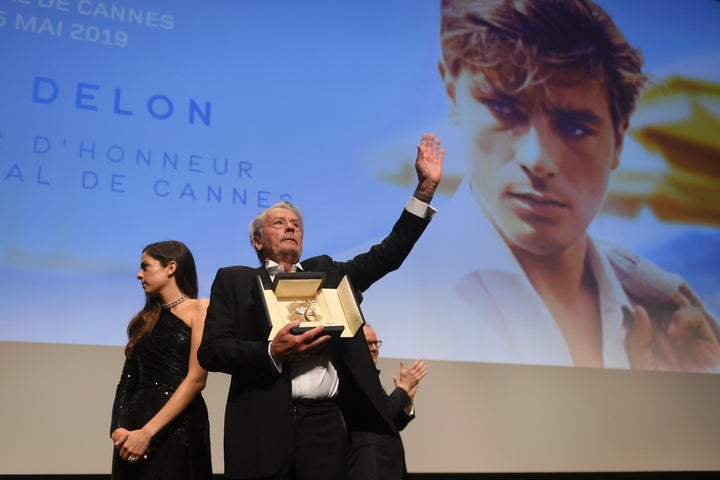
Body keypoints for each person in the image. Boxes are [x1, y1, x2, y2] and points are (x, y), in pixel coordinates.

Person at [361, 0, 720, 372]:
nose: (537, 160)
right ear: (452, 92)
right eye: (503, 109)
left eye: (575, 127)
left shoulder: (673, 320)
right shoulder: (377, 296)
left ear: (620, 138)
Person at [197, 133, 444, 480]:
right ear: (257, 240)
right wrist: (271, 351)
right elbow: (212, 351)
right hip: (261, 423)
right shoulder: (234, 280)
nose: (290, 227)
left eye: (296, 225)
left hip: (325, 424)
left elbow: (388, 254)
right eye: (279, 223)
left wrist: (424, 192)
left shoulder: (328, 273)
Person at [110, 240, 212, 479]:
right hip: (132, 434)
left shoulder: (200, 309)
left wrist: (148, 433)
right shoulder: (142, 321)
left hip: (177, 427)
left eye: (145, 266)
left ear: (171, 267)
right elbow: (127, 381)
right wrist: (118, 428)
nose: (138, 274)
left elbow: (197, 379)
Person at [348, 324, 427, 480]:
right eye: (368, 343)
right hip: (369, 466)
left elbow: (394, 423)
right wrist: (403, 388)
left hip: (386, 466)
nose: (374, 348)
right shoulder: (354, 379)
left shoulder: (371, 379)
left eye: (376, 343)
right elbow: (383, 412)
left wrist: (408, 399)